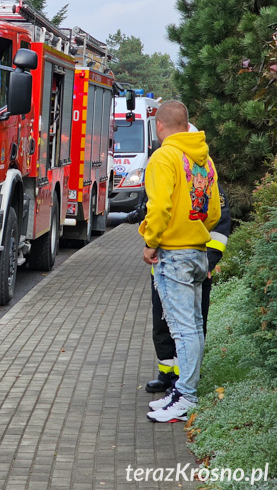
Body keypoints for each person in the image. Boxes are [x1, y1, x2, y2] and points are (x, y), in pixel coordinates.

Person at [139, 100, 220, 423]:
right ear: (186, 124)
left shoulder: (164, 157)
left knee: (183, 330)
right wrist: (196, 231)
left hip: (173, 254)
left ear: (159, 126)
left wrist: (150, 241)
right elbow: (213, 211)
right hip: (198, 251)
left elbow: (158, 208)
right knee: (195, 327)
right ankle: (185, 390)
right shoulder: (204, 159)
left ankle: (185, 395)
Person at [129, 183, 230, 393]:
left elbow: (219, 227)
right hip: (162, 269)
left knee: (189, 326)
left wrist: (208, 262)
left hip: (192, 269)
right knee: (162, 324)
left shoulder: (203, 180)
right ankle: (167, 373)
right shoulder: (168, 177)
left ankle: (186, 377)